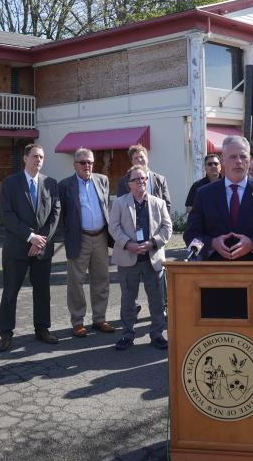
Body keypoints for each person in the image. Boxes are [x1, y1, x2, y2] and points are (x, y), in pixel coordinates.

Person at [184, 135, 253, 260]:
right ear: (223, 160)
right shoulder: (204, 194)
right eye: (233, 157)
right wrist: (212, 243)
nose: (238, 161)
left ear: (250, 160)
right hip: (214, 270)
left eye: (243, 156)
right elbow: (191, 235)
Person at [0, 143, 61, 348]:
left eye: (41, 157)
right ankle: (6, 333)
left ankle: (42, 329)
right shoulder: (10, 183)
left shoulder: (51, 183)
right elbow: (7, 215)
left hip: (42, 249)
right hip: (17, 248)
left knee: (42, 291)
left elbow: (55, 214)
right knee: (10, 292)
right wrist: (30, 237)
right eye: (35, 156)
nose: (38, 160)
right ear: (25, 158)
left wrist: (40, 240)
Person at [109, 164, 173, 350]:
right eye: (136, 179)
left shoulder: (158, 203)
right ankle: (127, 334)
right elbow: (114, 227)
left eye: (143, 178)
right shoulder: (120, 203)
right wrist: (128, 244)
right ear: (128, 183)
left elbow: (167, 228)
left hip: (152, 258)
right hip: (128, 258)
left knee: (156, 299)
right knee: (128, 299)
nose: (141, 182)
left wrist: (153, 242)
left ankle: (157, 334)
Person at [58, 147, 115, 338]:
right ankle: (78, 321)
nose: (87, 165)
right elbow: (62, 215)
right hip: (79, 238)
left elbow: (107, 206)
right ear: (75, 165)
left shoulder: (102, 180)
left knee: (101, 279)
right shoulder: (65, 185)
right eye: (83, 162)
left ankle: (100, 318)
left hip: (100, 237)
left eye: (90, 162)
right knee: (76, 281)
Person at [116, 144, 172, 213]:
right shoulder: (124, 181)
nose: (139, 160)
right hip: (133, 222)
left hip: (156, 221)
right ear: (132, 162)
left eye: (141, 157)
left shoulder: (160, 180)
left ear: (147, 158)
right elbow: (121, 205)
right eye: (135, 158)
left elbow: (167, 204)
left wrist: (162, 221)